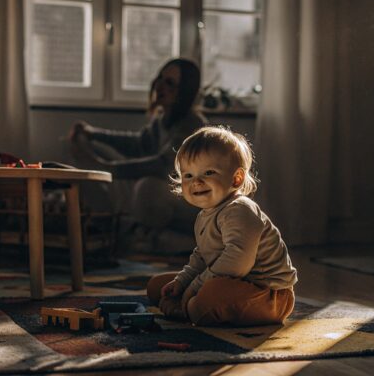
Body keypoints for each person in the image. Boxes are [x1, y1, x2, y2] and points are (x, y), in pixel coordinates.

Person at [146, 126, 298, 326]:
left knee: (209, 298)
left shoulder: (240, 210)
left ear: (236, 178)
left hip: (268, 294)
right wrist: (182, 282)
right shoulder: (205, 215)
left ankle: (192, 309)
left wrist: (195, 288)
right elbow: (202, 256)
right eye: (188, 175)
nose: (196, 182)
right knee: (157, 286)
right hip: (230, 281)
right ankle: (191, 306)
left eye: (208, 172)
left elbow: (237, 262)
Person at [69, 58, 207, 251]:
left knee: (147, 187)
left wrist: (108, 169)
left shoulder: (192, 123)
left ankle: (165, 239)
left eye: (170, 83)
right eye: (160, 78)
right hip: (166, 200)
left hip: (192, 204)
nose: (161, 86)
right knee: (106, 161)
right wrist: (93, 134)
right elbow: (137, 144)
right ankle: (139, 233)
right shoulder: (162, 120)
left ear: (184, 91)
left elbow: (163, 166)